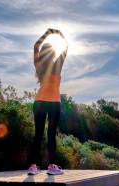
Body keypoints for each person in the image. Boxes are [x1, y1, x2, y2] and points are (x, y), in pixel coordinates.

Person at [27, 28, 68, 175]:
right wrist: (60, 35)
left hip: (40, 103)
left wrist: (47, 34)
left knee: (38, 135)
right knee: (50, 135)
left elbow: (35, 46)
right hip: (54, 103)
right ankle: (51, 166)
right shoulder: (58, 65)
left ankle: (33, 166)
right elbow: (66, 48)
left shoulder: (39, 66)